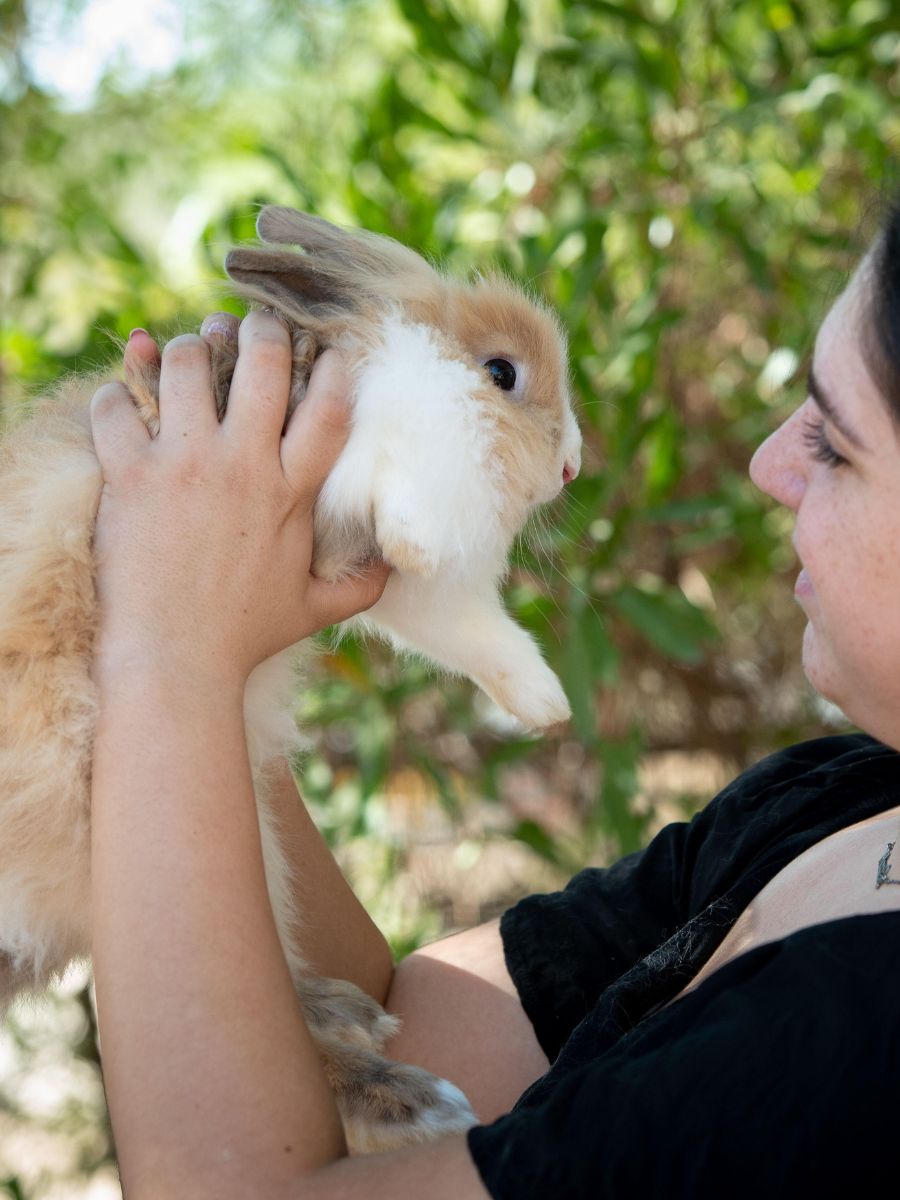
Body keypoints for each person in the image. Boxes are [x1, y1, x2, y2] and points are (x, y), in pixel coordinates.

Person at [88, 198, 900, 1199]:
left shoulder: (859, 1047)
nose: (769, 465)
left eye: (837, 444)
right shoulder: (828, 803)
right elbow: (404, 1021)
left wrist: (165, 651)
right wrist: (233, 637)